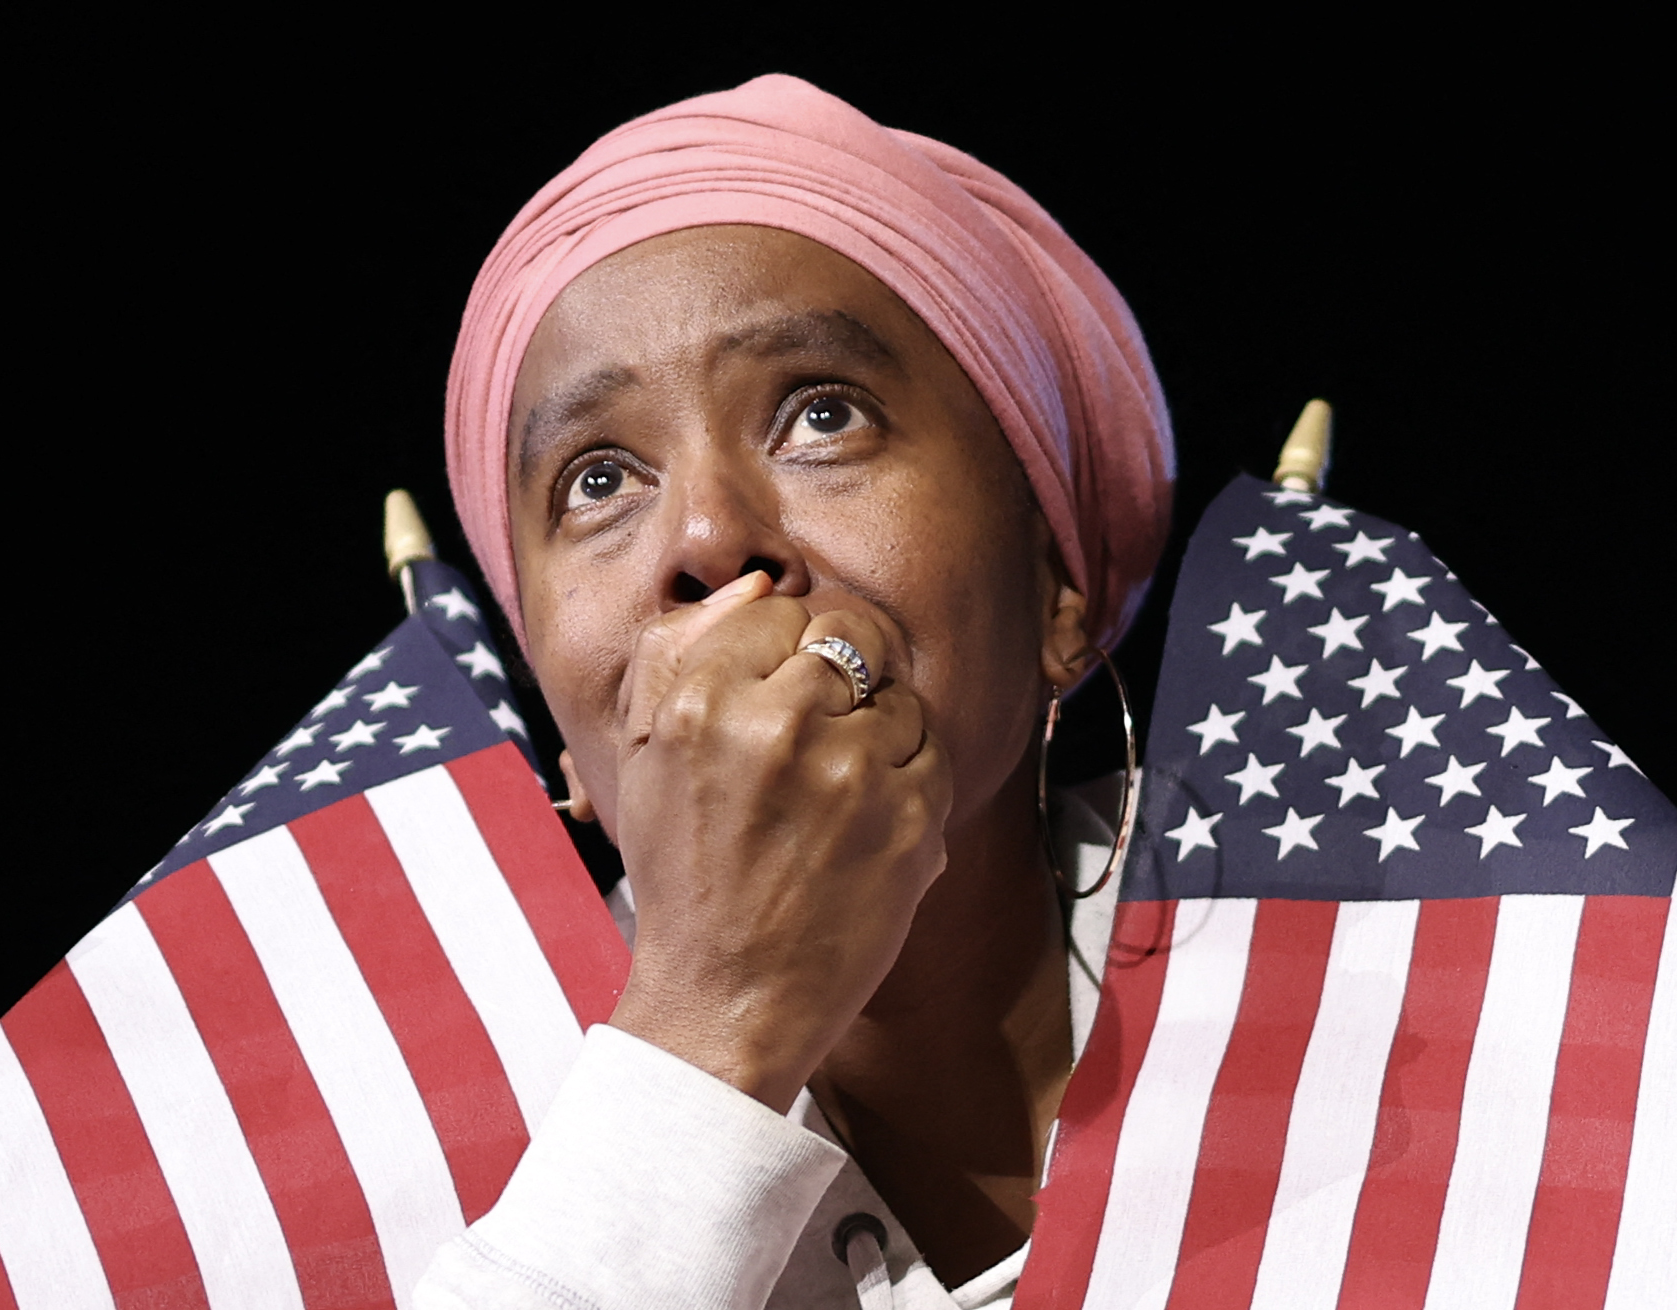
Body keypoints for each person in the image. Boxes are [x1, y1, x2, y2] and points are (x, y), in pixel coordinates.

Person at [416, 73, 1172, 1309]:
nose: (710, 535)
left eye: (822, 413)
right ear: (565, 738)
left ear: (1055, 587)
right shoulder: (423, 1149)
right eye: (596, 481)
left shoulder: (1375, 991)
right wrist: (709, 1025)